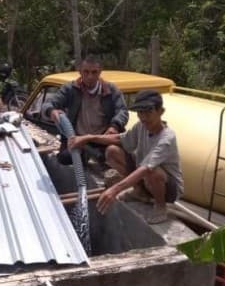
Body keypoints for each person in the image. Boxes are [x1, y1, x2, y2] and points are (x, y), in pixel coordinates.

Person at [68, 89, 183, 224]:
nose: (144, 117)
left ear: (160, 112)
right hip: (144, 176)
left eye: (149, 112)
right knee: (112, 151)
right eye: (140, 112)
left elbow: (146, 168)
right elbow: (120, 139)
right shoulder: (141, 126)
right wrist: (88, 137)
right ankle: (139, 191)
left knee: (153, 171)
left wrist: (114, 189)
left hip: (168, 187)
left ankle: (160, 207)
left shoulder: (167, 138)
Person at [43, 55, 128, 164]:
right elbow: (47, 104)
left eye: (94, 72)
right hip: (78, 139)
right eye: (86, 72)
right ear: (80, 72)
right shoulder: (70, 89)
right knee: (64, 158)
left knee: (113, 155)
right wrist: (51, 111)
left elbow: (122, 111)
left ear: (100, 72)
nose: (90, 76)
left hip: (102, 139)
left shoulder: (111, 90)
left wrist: (114, 126)